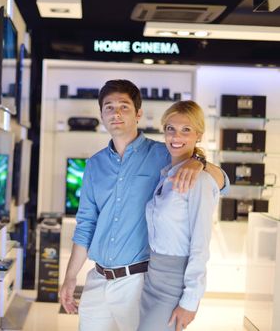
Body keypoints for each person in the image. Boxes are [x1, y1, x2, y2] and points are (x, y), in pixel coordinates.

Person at [59, 80, 227, 331]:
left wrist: (199, 161)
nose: (116, 113)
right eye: (109, 107)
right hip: (97, 279)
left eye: (124, 107)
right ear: (101, 115)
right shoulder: (94, 165)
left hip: (138, 282)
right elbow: (86, 226)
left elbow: (223, 182)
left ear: (138, 113)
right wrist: (71, 276)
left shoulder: (164, 154)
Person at [138, 101, 218, 331]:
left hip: (174, 282)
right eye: (170, 128)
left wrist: (190, 301)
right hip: (151, 277)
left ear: (199, 135)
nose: (176, 136)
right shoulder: (166, 173)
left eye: (186, 130)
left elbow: (201, 245)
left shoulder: (200, 181)